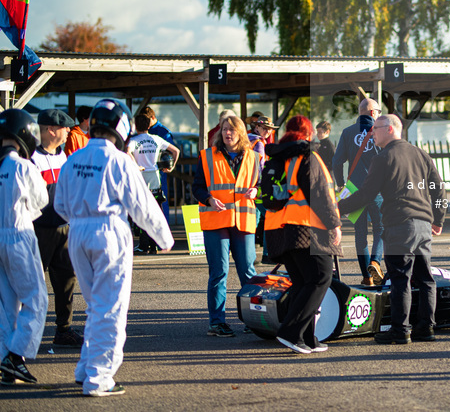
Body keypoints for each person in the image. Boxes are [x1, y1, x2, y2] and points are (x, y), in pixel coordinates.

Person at [55, 99, 174, 396]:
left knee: (96, 305)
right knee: (111, 308)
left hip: (78, 233)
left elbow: (59, 204)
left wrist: (81, 220)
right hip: (109, 232)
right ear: (122, 127)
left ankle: (86, 369)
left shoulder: (73, 159)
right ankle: (99, 378)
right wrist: (164, 239)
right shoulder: (120, 161)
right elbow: (142, 205)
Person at [338, 115, 447, 345]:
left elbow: (366, 195)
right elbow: (438, 189)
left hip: (399, 225)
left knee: (400, 279)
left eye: (375, 129)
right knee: (425, 278)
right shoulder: (420, 153)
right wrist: (438, 219)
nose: (371, 133)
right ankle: (426, 328)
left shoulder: (383, 157)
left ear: (389, 129)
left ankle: (400, 330)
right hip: (423, 226)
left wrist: (336, 209)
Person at [263, 116, 343, 353]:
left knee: (303, 282)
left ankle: (308, 337)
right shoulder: (307, 156)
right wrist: (334, 224)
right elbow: (319, 194)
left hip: (280, 229)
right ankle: (291, 332)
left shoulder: (277, 158)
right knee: (321, 276)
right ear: (309, 134)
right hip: (306, 228)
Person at [192, 115, 259, 337]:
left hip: (243, 221)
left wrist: (257, 191)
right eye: (224, 129)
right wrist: (209, 199)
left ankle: (253, 320)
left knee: (248, 273)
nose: (227, 133)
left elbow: (261, 183)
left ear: (241, 132)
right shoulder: (206, 157)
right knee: (219, 272)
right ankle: (217, 322)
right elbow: (197, 187)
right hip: (216, 221)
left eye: (231, 129)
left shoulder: (253, 157)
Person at [0, 109, 48, 386]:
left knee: (7, 305)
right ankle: (16, 357)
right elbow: (41, 199)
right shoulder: (23, 166)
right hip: (18, 235)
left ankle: (6, 358)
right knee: (35, 299)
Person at [31, 109, 84, 348]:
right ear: (51, 130)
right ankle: (24, 333)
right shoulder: (30, 157)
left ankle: (63, 330)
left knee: (66, 280)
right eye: (65, 129)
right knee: (31, 283)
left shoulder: (65, 157)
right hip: (37, 229)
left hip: (64, 227)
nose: (69, 133)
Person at [331, 98, 384, 286]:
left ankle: (366, 276)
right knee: (380, 228)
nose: (379, 114)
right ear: (372, 113)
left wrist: (340, 184)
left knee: (360, 233)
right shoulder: (381, 131)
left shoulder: (347, 132)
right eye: (378, 111)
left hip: (354, 190)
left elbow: (337, 162)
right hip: (377, 189)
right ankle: (376, 262)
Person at [127, 114, 180, 254]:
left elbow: (126, 151)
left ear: (135, 126)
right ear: (149, 126)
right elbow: (176, 151)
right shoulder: (156, 139)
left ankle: (144, 246)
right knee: (155, 211)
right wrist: (171, 167)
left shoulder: (133, 140)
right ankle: (153, 245)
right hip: (155, 179)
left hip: (141, 179)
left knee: (142, 212)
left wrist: (135, 165)